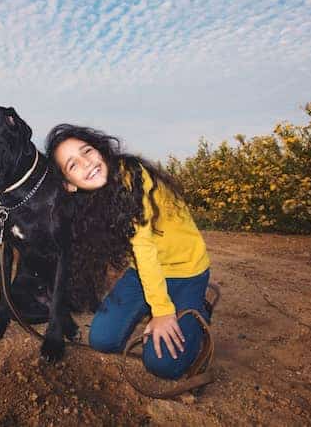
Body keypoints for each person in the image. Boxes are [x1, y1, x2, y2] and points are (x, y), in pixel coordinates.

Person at [45, 124, 212, 379]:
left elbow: (143, 247)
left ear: (100, 149)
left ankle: (199, 309)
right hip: (144, 273)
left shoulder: (132, 175)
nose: (87, 163)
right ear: (69, 185)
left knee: (162, 365)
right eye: (73, 165)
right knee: (102, 340)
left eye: (87, 151)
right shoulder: (93, 201)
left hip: (186, 271)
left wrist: (163, 311)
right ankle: (151, 306)